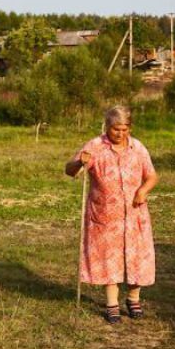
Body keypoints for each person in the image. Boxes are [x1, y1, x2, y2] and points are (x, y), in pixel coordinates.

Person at [65, 105, 159, 324]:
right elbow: (70, 171)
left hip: (135, 212)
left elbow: (152, 176)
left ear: (130, 127)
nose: (120, 134)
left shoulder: (137, 147)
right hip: (105, 214)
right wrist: (80, 161)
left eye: (125, 129)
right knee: (109, 256)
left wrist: (142, 191)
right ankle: (111, 304)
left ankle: (133, 299)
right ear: (107, 126)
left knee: (137, 256)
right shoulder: (95, 146)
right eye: (116, 129)